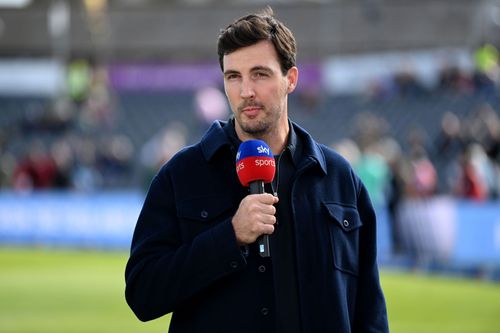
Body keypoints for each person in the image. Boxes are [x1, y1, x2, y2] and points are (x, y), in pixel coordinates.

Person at [125, 7, 389, 333]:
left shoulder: (339, 178)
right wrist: (229, 237)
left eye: (260, 74)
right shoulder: (181, 174)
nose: (245, 91)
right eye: (233, 76)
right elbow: (142, 293)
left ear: (290, 79)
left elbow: (370, 311)